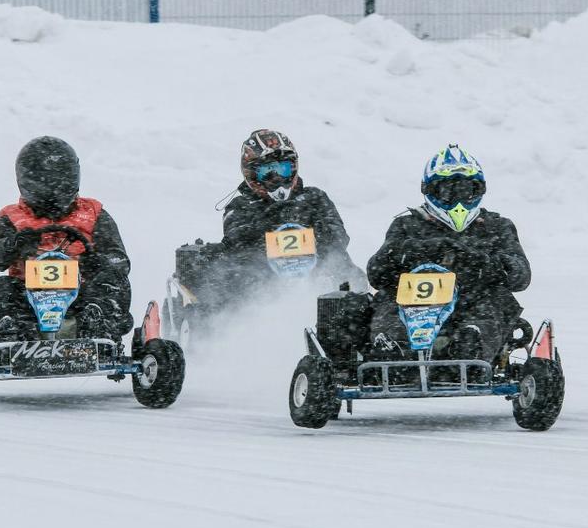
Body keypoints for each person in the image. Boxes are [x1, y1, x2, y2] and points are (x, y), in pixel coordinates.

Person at [366, 144, 531, 363]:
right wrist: (421, 249)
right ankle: (392, 347)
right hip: (411, 303)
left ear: (478, 190)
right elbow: (377, 274)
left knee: (497, 299)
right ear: (431, 191)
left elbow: (521, 276)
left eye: (465, 191)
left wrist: (480, 261)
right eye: (448, 191)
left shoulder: (496, 226)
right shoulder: (407, 225)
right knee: (386, 298)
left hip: (471, 301)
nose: (458, 200)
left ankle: (472, 346)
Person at [0, 136, 134, 340]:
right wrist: (16, 244)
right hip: (27, 297)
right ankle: (12, 328)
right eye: (45, 181)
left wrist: (94, 262)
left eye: (57, 180)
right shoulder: (13, 216)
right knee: (3, 286)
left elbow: (119, 260)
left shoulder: (92, 213)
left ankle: (96, 321)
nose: (52, 188)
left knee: (113, 280)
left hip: (82, 295)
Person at [214, 129, 364, 290]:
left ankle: (344, 306)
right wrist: (272, 223)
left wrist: (307, 226)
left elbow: (338, 237)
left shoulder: (314, 197)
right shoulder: (239, 206)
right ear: (252, 174)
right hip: (263, 279)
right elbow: (238, 244)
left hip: (320, 272)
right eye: (267, 172)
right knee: (236, 277)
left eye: (283, 169)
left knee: (348, 271)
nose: (277, 177)